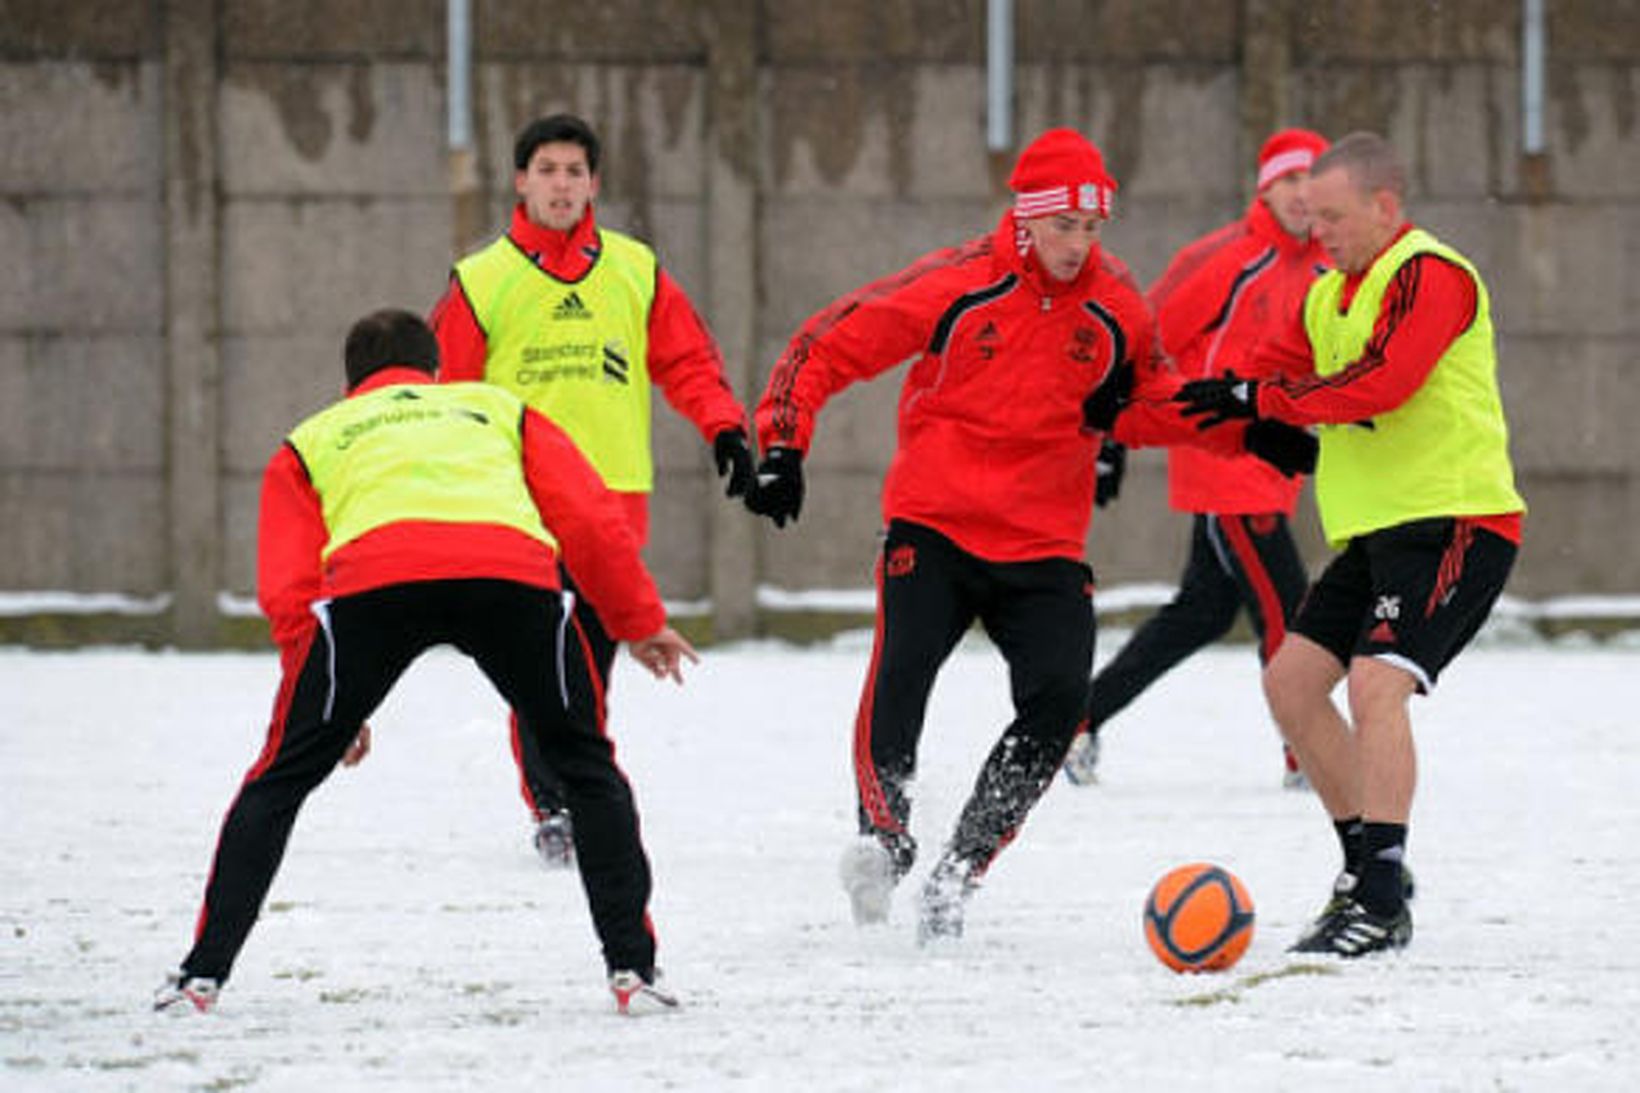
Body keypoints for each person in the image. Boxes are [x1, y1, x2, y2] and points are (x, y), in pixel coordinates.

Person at [745, 128, 1314, 943]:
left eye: (1092, 229)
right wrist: (784, 444)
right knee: (899, 677)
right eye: (1062, 228)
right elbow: (830, 342)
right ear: (1026, 217)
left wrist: (1246, 430)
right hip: (934, 525)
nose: (1078, 247)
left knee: (1057, 700)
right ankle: (884, 840)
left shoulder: (1115, 303)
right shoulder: (961, 282)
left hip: (1044, 540)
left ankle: (959, 871)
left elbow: (1151, 399)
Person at [153, 309, 695, 1016]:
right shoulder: (498, 408)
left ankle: (203, 975)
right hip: (510, 577)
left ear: (352, 384)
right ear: (437, 370)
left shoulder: (312, 438)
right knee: (587, 766)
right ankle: (634, 971)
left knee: (279, 778)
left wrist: (324, 696)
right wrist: (638, 621)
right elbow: (590, 519)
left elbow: (288, 586)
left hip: (376, 585)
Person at [1175, 131, 1526, 956]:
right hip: (1377, 530)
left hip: (1457, 521)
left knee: (1375, 686)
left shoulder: (1430, 274)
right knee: (1291, 685)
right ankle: (1365, 874)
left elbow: (1384, 382)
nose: (1317, 227)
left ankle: (1380, 898)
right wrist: (1170, 408)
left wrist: (1262, 397)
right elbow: (1270, 377)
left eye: (1332, 214)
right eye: (1309, 214)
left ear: (1385, 206)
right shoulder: (1329, 292)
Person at [430, 114, 753, 868]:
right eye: (547, 169)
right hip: (520, 505)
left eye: (575, 171)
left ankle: (575, 790)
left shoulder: (635, 269)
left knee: (592, 662)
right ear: (521, 181)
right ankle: (556, 806)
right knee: (541, 660)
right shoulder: (482, 280)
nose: (562, 184)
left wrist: (725, 428)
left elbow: (688, 362)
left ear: (595, 183)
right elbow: (446, 392)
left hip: (612, 505)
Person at [1062, 128, 1330, 789]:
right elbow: (1142, 337)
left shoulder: (1333, 267)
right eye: (1288, 180)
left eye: (1313, 181)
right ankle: (1309, 755)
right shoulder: (1226, 257)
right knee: (1289, 615)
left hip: (1278, 465)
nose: (1300, 194)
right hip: (1227, 466)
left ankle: (1080, 718)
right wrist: (1111, 436)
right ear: (1264, 187)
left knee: (1202, 612)